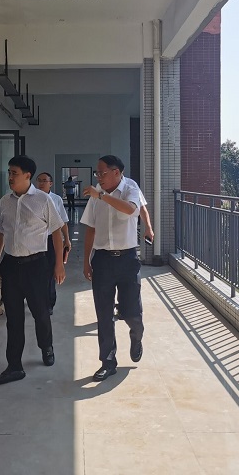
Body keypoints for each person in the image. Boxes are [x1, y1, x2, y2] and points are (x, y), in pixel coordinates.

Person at [0, 155, 66, 385]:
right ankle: (14, 366)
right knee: (13, 319)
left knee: (40, 313)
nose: (10, 177)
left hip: (36, 266)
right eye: (9, 172)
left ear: (27, 175)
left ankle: (46, 346)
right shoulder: (5, 201)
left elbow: (56, 232)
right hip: (11, 266)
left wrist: (59, 264)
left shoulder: (43, 200)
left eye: (14, 173)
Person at [80, 155, 145, 382]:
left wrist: (101, 196)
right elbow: (90, 227)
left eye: (102, 173)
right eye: (97, 173)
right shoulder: (97, 194)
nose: (99, 177)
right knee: (104, 314)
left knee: (131, 313)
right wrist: (86, 260)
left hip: (127, 260)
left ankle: (136, 335)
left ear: (116, 172)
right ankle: (108, 362)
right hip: (103, 261)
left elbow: (130, 210)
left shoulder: (130, 188)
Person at [35, 172, 71, 314]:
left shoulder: (56, 199)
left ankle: (49, 303)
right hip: (36, 241)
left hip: (51, 240)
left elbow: (63, 222)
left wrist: (67, 239)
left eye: (44, 181)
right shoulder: (31, 198)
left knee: (50, 272)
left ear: (50, 183)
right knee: (36, 272)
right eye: (39, 180)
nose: (41, 183)